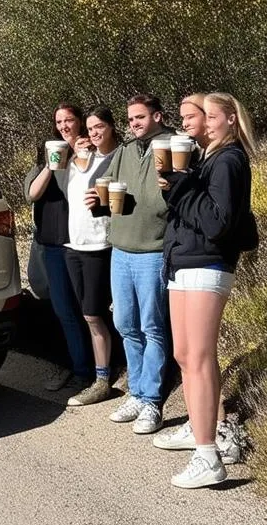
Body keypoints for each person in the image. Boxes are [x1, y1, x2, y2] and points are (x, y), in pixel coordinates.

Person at [156, 92, 258, 488]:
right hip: (184, 262)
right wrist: (177, 187)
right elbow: (193, 210)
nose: (207, 122)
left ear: (232, 119)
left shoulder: (229, 161)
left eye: (212, 116)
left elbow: (219, 223)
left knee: (197, 358)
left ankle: (208, 455)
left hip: (206, 264)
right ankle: (204, 434)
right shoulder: (207, 159)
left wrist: (183, 188)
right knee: (186, 355)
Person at [85, 94, 173, 434]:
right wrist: (98, 202)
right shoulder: (124, 151)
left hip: (153, 250)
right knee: (125, 323)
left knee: (153, 326)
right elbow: (110, 197)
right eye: (130, 119)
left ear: (157, 116)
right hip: (121, 249)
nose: (133, 123)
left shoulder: (172, 145)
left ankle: (152, 400)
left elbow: (178, 195)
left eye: (139, 117)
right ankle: (136, 392)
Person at [25, 103, 93, 391]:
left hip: (83, 243)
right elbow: (31, 194)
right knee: (63, 309)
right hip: (53, 245)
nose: (64, 125)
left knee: (89, 309)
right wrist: (52, 165)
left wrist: (80, 156)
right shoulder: (46, 157)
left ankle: (98, 368)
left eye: (69, 120)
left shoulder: (89, 153)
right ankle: (79, 368)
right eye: (59, 121)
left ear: (80, 122)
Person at [64, 106, 120, 407]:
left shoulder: (118, 158)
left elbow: (125, 200)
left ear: (111, 127)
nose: (94, 132)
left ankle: (103, 380)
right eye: (90, 128)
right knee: (88, 315)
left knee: (95, 314)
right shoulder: (78, 160)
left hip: (101, 244)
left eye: (100, 126)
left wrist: (107, 202)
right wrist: (74, 153)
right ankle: (101, 374)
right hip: (74, 245)